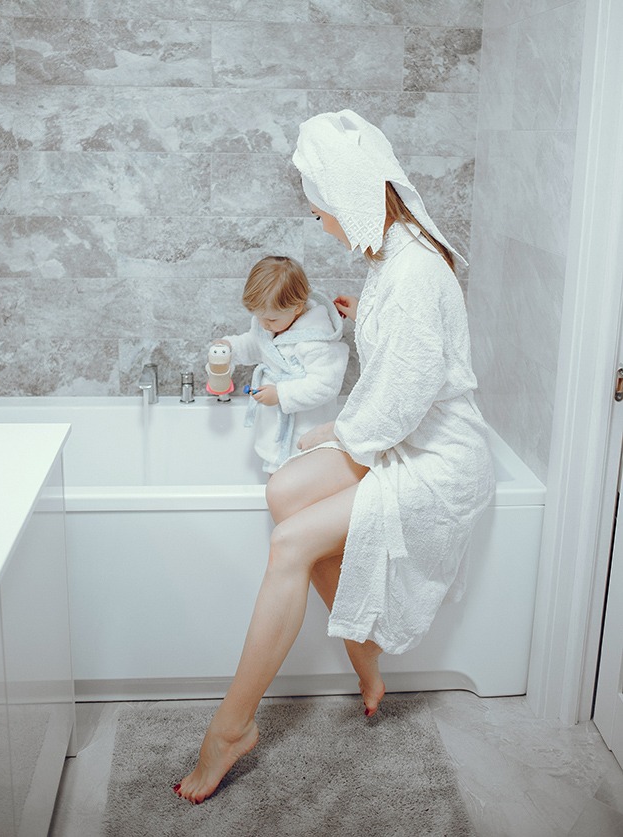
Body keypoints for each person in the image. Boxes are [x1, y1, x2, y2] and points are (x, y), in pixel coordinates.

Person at [174, 109, 495, 804]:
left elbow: (400, 402)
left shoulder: (411, 275)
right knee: (285, 492)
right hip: (398, 434)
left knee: (291, 539)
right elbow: (404, 356)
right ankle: (364, 654)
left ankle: (231, 728)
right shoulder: (394, 253)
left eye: (321, 210)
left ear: (351, 197)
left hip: (436, 459)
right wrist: (360, 320)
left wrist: (328, 433)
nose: (320, 224)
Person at [215, 255, 349, 473]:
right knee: (276, 477)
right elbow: (256, 344)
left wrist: (282, 394)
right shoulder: (271, 323)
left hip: (306, 432)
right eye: (260, 318)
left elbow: (326, 385)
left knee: (300, 482)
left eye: (271, 319)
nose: (265, 324)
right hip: (276, 430)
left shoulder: (316, 340)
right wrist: (230, 347)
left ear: (297, 308)